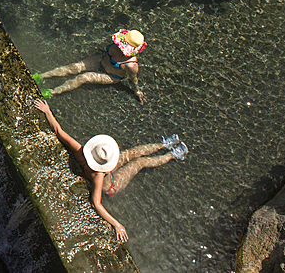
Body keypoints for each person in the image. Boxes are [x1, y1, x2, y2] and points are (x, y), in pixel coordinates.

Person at [34, 99, 188, 242]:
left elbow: (58, 131)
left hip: (101, 170)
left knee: (131, 153)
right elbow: (96, 203)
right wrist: (117, 224)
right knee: (140, 162)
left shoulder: (79, 151)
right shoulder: (98, 176)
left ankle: (163, 145)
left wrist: (48, 112)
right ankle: (172, 155)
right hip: (110, 184)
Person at [34, 29, 148, 104]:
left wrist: (137, 91)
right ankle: (41, 76)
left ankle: (53, 92)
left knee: (83, 78)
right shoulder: (117, 43)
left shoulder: (131, 65)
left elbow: (133, 79)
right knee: (74, 67)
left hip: (111, 75)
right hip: (100, 60)